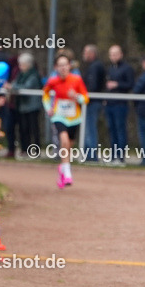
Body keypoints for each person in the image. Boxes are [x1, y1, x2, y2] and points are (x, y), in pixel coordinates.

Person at [43, 53, 89, 188]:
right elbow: (45, 94)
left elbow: (86, 98)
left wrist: (76, 97)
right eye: (60, 65)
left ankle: (62, 168)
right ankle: (67, 172)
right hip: (59, 116)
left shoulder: (76, 80)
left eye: (65, 65)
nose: (63, 68)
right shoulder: (53, 81)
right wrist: (48, 108)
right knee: (63, 141)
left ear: (69, 66)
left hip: (74, 118)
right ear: (56, 67)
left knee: (69, 145)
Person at [104, 45, 134, 166]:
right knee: (112, 130)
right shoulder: (110, 68)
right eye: (111, 54)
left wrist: (117, 85)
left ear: (121, 54)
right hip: (109, 104)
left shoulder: (127, 68)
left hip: (120, 104)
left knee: (120, 130)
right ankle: (113, 156)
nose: (113, 56)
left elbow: (130, 84)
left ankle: (121, 157)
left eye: (115, 54)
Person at [13, 53, 43, 155]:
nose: (20, 67)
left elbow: (26, 86)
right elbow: (15, 83)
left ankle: (36, 150)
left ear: (28, 64)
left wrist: (13, 87)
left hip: (33, 106)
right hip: (22, 106)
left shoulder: (34, 75)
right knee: (23, 129)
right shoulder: (20, 75)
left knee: (33, 129)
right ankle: (25, 149)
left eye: (22, 64)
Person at [81, 44, 106, 160]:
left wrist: (84, 95)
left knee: (90, 129)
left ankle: (91, 156)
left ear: (92, 54)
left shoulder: (95, 67)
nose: (84, 55)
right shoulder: (92, 66)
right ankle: (88, 154)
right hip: (91, 102)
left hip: (92, 102)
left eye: (86, 52)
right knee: (88, 128)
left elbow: (93, 86)